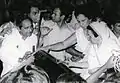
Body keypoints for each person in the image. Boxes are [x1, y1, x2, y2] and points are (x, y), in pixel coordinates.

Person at [39, 9, 120, 79]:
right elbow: (63, 44)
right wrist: (48, 47)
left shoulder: (102, 33)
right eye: (78, 21)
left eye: (83, 21)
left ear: (90, 19)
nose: (81, 24)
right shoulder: (81, 33)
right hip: (86, 68)